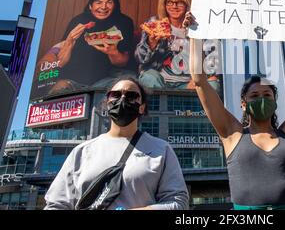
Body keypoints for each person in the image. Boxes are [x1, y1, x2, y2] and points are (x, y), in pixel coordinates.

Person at [189, 16, 285, 210]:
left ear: (274, 101)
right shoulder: (232, 133)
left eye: (267, 94)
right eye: (254, 95)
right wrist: (194, 35)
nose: (261, 98)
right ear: (243, 104)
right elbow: (200, 81)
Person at [44, 78, 189, 210]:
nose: (123, 99)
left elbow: (178, 203)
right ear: (107, 103)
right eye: (116, 95)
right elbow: (56, 205)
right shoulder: (81, 152)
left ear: (142, 107)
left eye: (131, 96)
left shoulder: (161, 149)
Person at [48, 0, 136, 94]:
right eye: (98, 2)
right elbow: (60, 63)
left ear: (115, 5)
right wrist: (69, 40)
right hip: (72, 80)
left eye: (109, 2)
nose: (103, 7)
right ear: (90, 6)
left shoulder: (124, 22)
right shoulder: (78, 20)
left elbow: (123, 62)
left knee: (130, 80)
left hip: (106, 80)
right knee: (57, 90)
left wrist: (112, 52)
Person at [135, 0, 220, 93]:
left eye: (180, 3)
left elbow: (212, 58)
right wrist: (151, 43)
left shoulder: (199, 28)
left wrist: (200, 79)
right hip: (160, 80)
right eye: (170, 2)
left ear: (187, 6)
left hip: (189, 82)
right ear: (164, 5)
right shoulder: (155, 24)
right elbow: (140, 58)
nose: (174, 7)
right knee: (149, 77)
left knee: (213, 84)